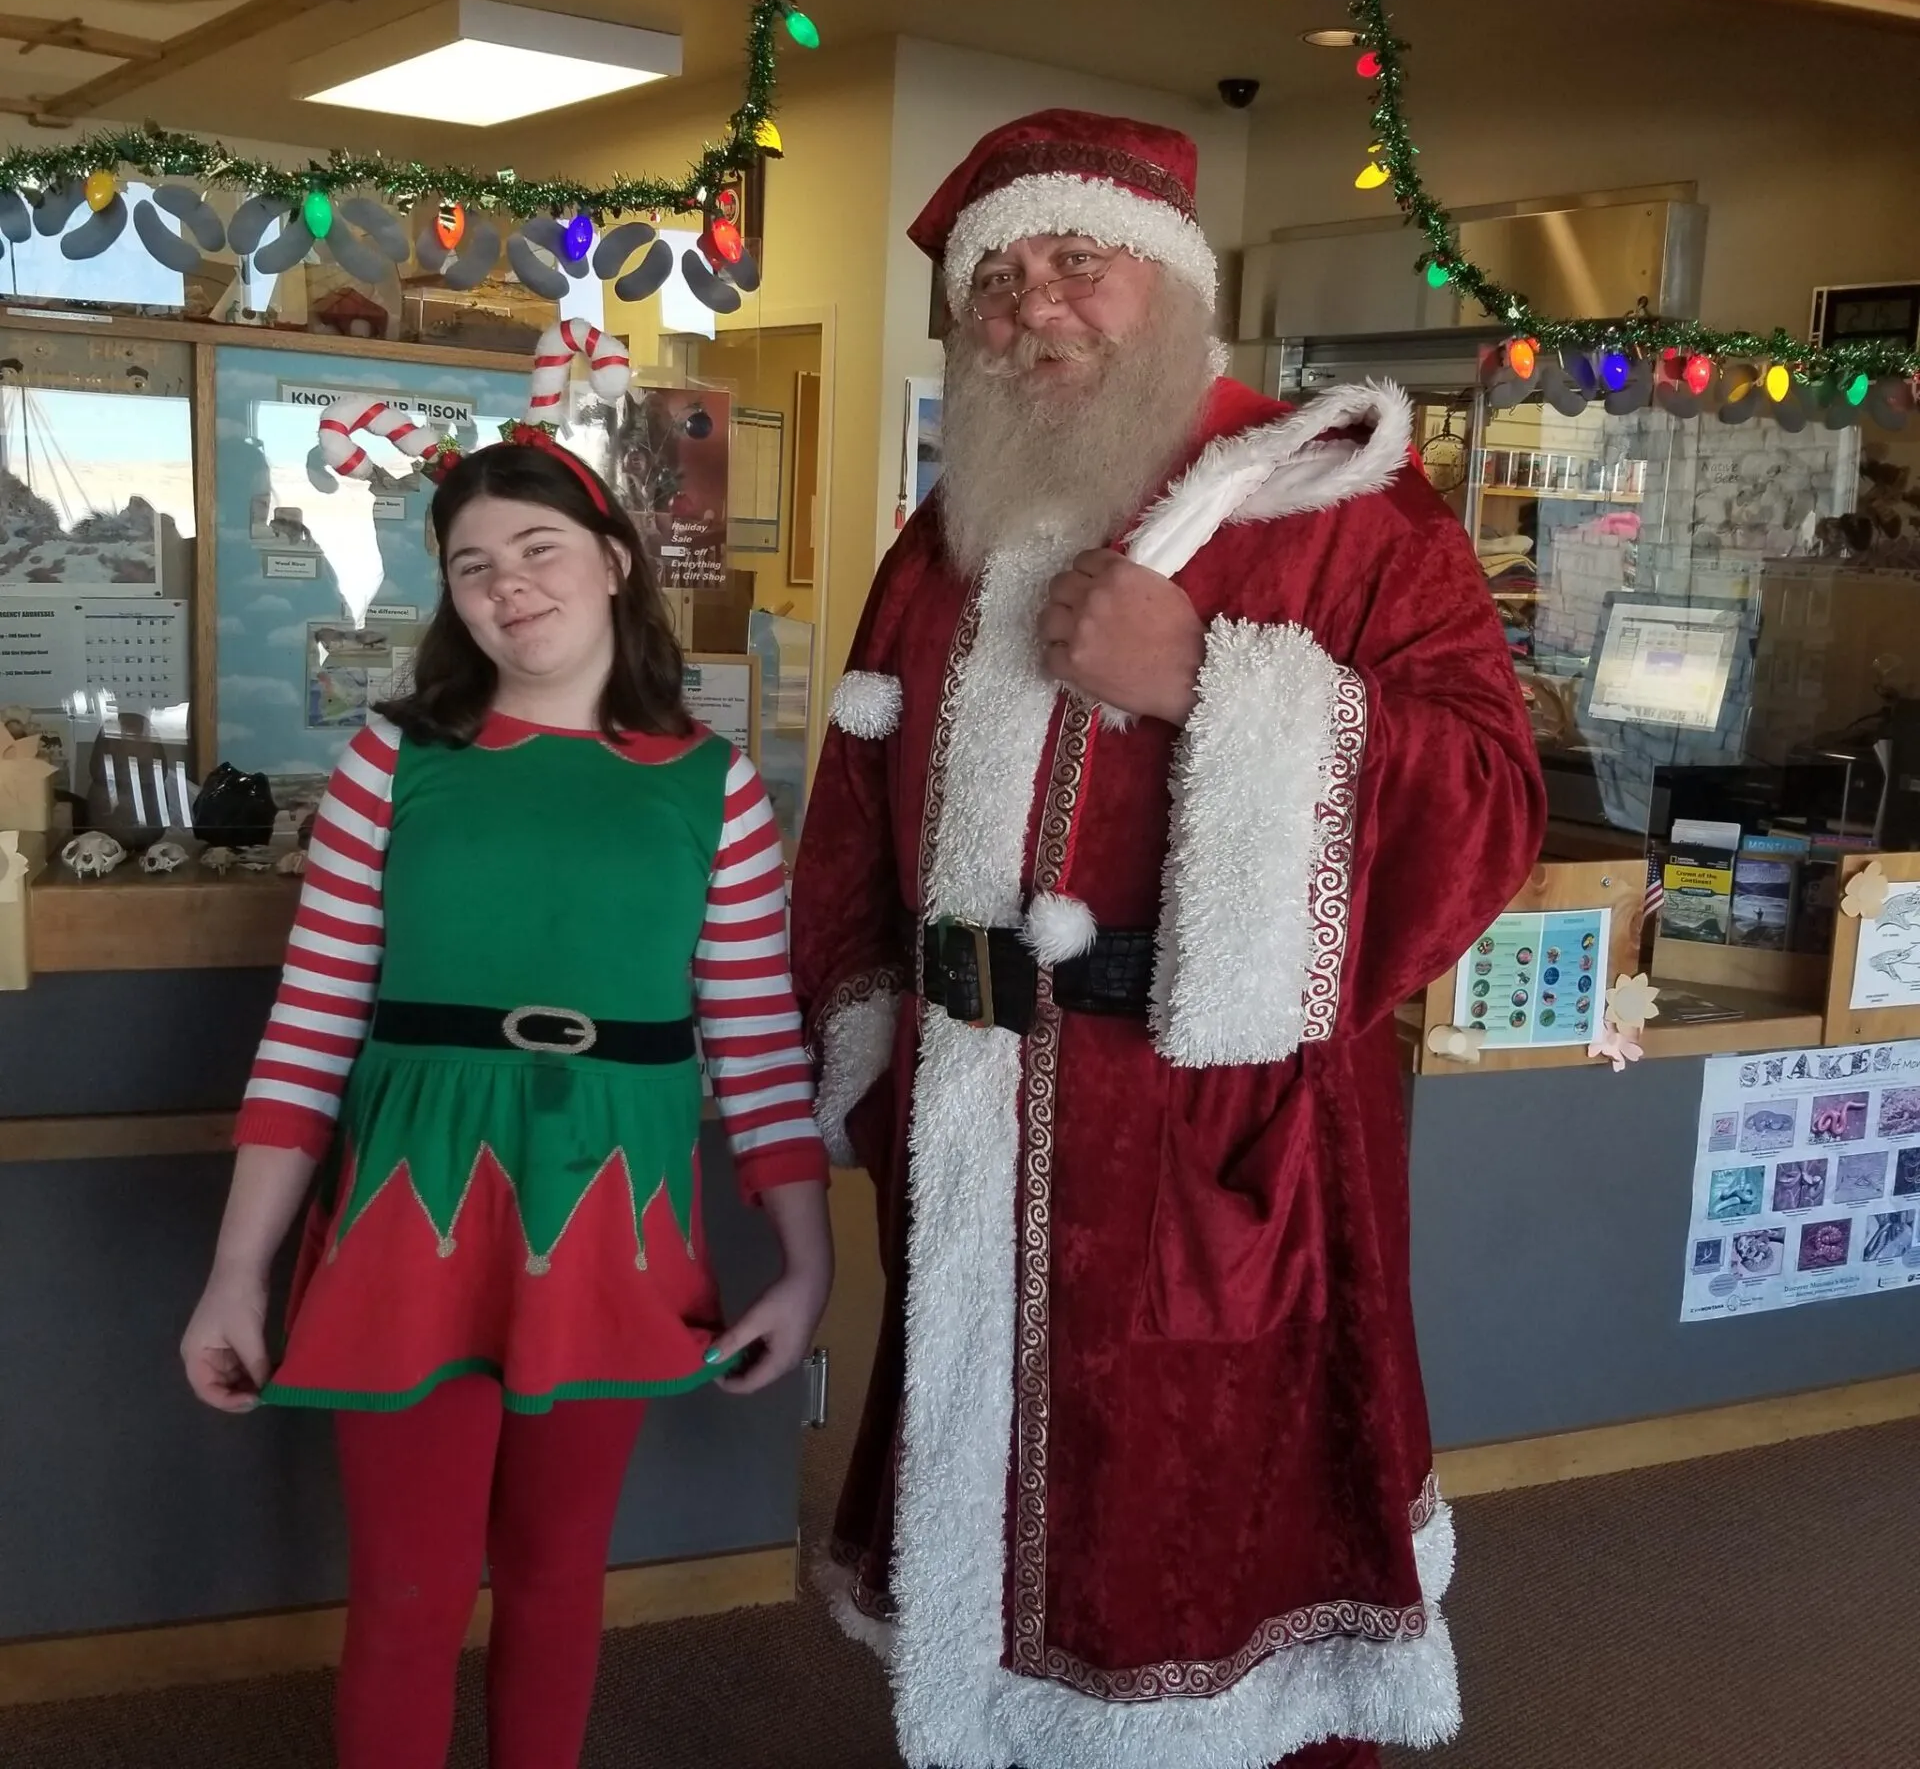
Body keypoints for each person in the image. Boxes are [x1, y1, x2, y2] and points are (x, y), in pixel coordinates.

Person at [790, 108, 1545, 1769]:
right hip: (971, 1126)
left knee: (1212, 1559)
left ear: (1178, 287)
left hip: (1218, 1142)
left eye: (1079, 261)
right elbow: (851, 810)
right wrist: (867, 1070)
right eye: (996, 280)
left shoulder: (1347, 514)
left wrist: (1210, 680)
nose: (1032, 305)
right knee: (989, 1543)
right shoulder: (950, 533)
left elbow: (1489, 806)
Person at [181, 424, 831, 1769]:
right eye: (471, 565)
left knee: (556, 1578)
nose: (507, 584)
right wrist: (236, 1275)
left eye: (537, 547)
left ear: (614, 561)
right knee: (406, 1595)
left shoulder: (714, 789)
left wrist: (807, 1264)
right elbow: (307, 1032)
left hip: (613, 1209)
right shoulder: (390, 764)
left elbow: (761, 1046)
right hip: (410, 1210)